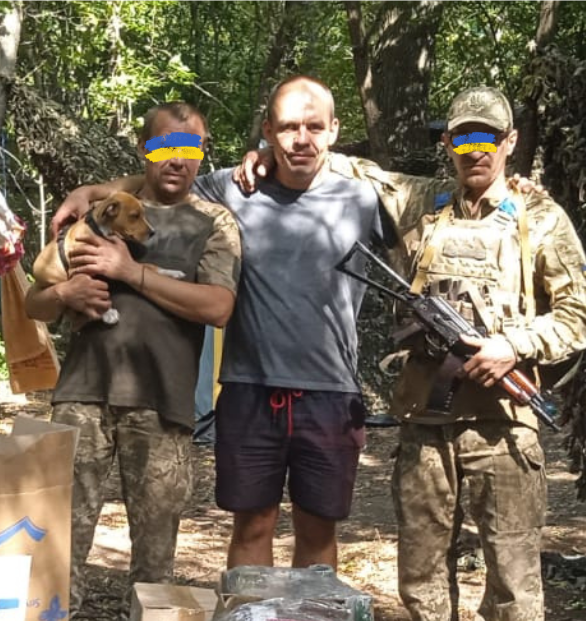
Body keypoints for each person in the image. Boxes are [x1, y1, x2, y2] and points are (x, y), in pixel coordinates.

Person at [52, 76, 393, 570]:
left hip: (331, 390)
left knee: (319, 528)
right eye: (288, 127)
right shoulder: (231, 189)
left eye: (314, 127)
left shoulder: (364, 199)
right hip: (248, 387)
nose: (301, 138)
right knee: (251, 524)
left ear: (335, 130)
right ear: (268, 131)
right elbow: (161, 179)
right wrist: (92, 190)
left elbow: (438, 215)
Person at [381, 87, 586, 621]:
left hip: (504, 424)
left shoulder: (540, 218)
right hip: (426, 418)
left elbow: (582, 314)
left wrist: (513, 344)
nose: (474, 150)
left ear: (510, 142)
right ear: (448, 144)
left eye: (487, 138)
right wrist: (261, 158)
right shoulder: (422, 205)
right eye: (463, 138)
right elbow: (343, 170)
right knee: (422, 555)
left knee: (510, 560)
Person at [26, 100, 240, 605]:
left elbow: (218, 307)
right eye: (165, 146)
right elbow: (35, 301)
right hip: (82, 393)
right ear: (144, 149)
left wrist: (130, 272)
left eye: (189, 148)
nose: (177, 159)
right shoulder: (102, 212)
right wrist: (65, 294)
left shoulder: (212, 222)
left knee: (155, 554)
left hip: (162, 401)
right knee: (56, 538)